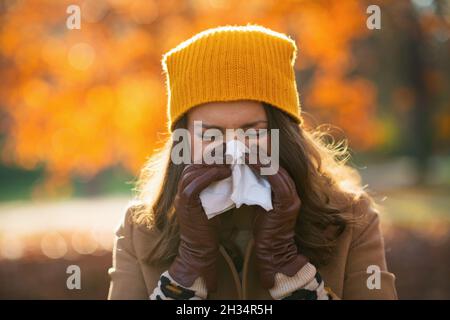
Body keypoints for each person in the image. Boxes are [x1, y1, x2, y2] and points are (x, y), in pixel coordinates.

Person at [107, 25, 397, 300]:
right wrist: (186, 275)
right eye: (210, 134)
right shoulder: (141, 230)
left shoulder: (350, 220)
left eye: (252, 132)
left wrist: (291, 274)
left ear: (283, 136)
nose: (233, 151)